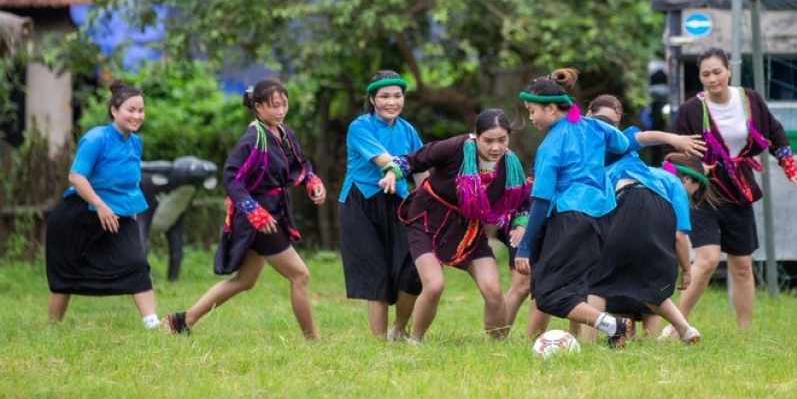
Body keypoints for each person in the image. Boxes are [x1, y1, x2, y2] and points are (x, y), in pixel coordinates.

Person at [663, 47, 797, 334]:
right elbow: (672, 153)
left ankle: (744, 332)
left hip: (739, 191)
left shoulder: (750, 100)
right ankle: (677, 326)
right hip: (702, 195)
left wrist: (793, 169)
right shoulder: (691, 110)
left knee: (742, 264)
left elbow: (775, 134)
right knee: (706, 261)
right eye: (705, 74)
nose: (712, 79)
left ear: (728, 70)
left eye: (717, 72)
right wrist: (694, 167)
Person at [167, 78, 325, 338]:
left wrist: (312, 181)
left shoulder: (284, 133)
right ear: (259, 107)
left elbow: (299, 164)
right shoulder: (253, 138)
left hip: (274, 212)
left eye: (284, 104)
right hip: (260, 218)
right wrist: (253, 211)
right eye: (274, 106)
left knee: (245, 281)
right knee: (300, 275)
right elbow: (231, 177)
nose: (281, 110)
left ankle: (183, 320)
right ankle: (313, 338)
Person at [575, 95, 709, 344]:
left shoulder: (612, 143)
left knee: (596, 280)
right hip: (658, 208)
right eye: (602, 120)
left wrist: (673, 139)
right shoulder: (582, 145)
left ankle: (587, 344)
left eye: (613, 124)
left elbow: (645, 137)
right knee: (648, 279)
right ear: (588, 115)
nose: (607, 128)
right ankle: (683, 328)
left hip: (629, 201)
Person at [514, 68, 634, 348]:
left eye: (533, 111)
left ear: (552, 108)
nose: (531, 117)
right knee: (562, 285)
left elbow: (541, 200)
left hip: (571, 218)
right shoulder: (591, 125)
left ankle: (613, 325)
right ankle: (614, 328)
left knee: (548, 295)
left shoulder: (551, 145)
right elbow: (623, 143)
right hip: (601, 217)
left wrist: (525, 246)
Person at [395, 109, 531, 342]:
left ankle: (497, 346)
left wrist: (519, 225)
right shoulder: (455, 147)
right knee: (434, 285)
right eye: (489, 141)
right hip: (429, 219)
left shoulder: (511, 166)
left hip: (469, 229)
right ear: (475, 136)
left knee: (493, 290)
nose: (496, 147)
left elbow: (522, 203)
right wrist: (391, 172)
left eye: (502, 140)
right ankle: (414, 341)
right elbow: (411, 161)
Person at [45, 80, 160, 329]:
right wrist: (99, 204)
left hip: (119, 213)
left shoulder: (135, 142)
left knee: (137, 263)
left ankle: (152, 324)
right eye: (131, 109)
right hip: (80, 214)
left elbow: (130, 179)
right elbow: (76, 176)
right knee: (66, 274)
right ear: (114, 111)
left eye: (140, 110)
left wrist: (130, 209)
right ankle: (51, 329)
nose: (137, 115)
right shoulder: (96, 138)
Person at [339, 70, 428, 340]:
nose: (392, 102)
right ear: (373, 99)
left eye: (397, 96)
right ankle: (379, 347)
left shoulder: (407, 129)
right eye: (385, 96)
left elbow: (421, 170)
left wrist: (430, 200)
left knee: (412, 270)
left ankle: (398, 330)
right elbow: (385, 160)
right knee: (375, 274)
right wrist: (391, 171)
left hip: (398, 202)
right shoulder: (360, 127)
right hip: (360, 203)